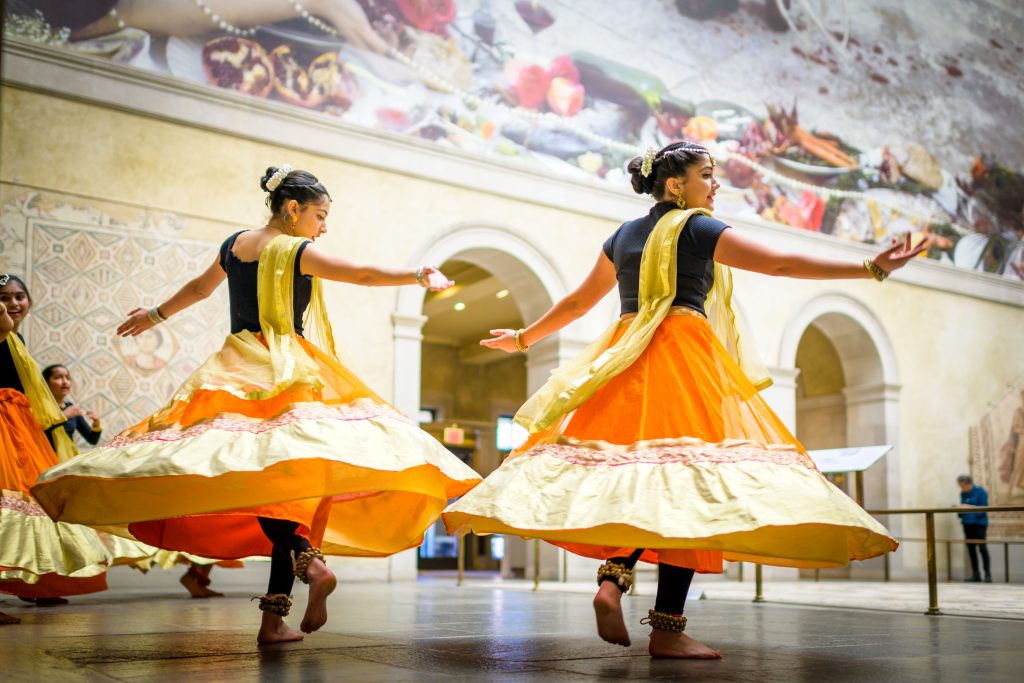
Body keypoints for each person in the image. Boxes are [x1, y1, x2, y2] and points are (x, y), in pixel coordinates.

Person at [443, 142, 920, 659]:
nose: (715, 186)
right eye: (708, 175)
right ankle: (667, 630)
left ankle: (613, 582)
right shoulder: (698, 227)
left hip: (625, 359)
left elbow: (579, 302)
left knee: (640, 481)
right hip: (681, 356)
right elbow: (779, 264)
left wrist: (523, 338)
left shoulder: (622, 235)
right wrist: (868, 267)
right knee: (690, 488)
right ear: (676, 185)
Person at [32, 166, 481, 644]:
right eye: (320, 215)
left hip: (235, 365)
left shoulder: (234, 245)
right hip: (287, 367)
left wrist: (154, 314)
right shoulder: (297, 250)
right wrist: (416, 274)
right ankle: (309, 569)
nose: (323, 226)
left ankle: (275, 618)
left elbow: (200, 289)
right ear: (293, 209)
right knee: (287, 489)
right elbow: (364, 275)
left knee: (270, 488)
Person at [0, 277, 110, 622]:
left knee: (22, 509)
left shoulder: (15, 338)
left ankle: (32, 585)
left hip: (19, 426)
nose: (13, 304)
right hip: (5, 424)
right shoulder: (4, 332)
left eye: (19, 296)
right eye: (4, 298)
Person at [43, 364, 103, 446]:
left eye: (68, 378)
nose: (65, 382)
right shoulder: (39, 407)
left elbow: (92, 440)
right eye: (58, 377)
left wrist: (96, 423)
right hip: (43, 457)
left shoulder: (71, 407)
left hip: (68, 457)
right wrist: (65, 415)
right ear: (46, 383)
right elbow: (36, 433)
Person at [957, 474, 991, 583]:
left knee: (982, 548)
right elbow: (963, 507)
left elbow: (984, 508)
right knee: (971, 550)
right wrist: (960, 509)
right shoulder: (963, 493)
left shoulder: (980, 492)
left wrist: (969, 508)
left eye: (963, 486)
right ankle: (976, 574)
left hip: (979, 524)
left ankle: (987, 574)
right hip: (967, 524)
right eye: (960, 486)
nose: (962, 488)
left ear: (968, 483)